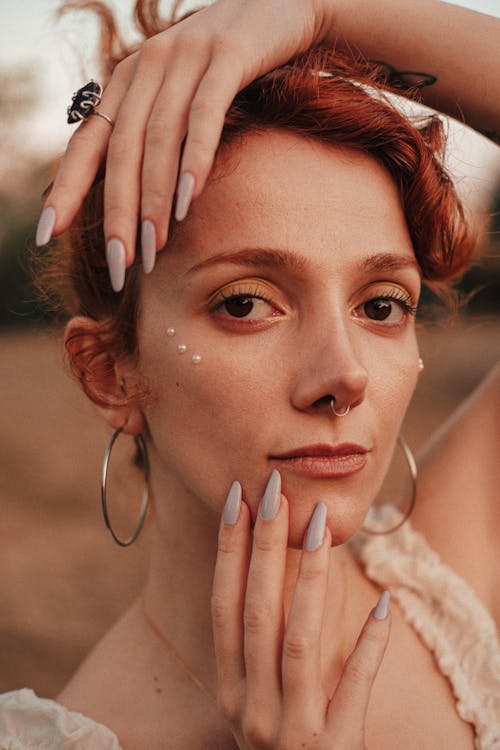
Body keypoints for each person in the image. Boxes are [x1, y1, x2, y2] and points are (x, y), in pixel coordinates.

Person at [1, 0, 499, 747]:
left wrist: (319, 13)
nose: (345, 375)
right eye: (245, 302)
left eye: (382, 304)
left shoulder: (456, 581)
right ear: (110, 374)